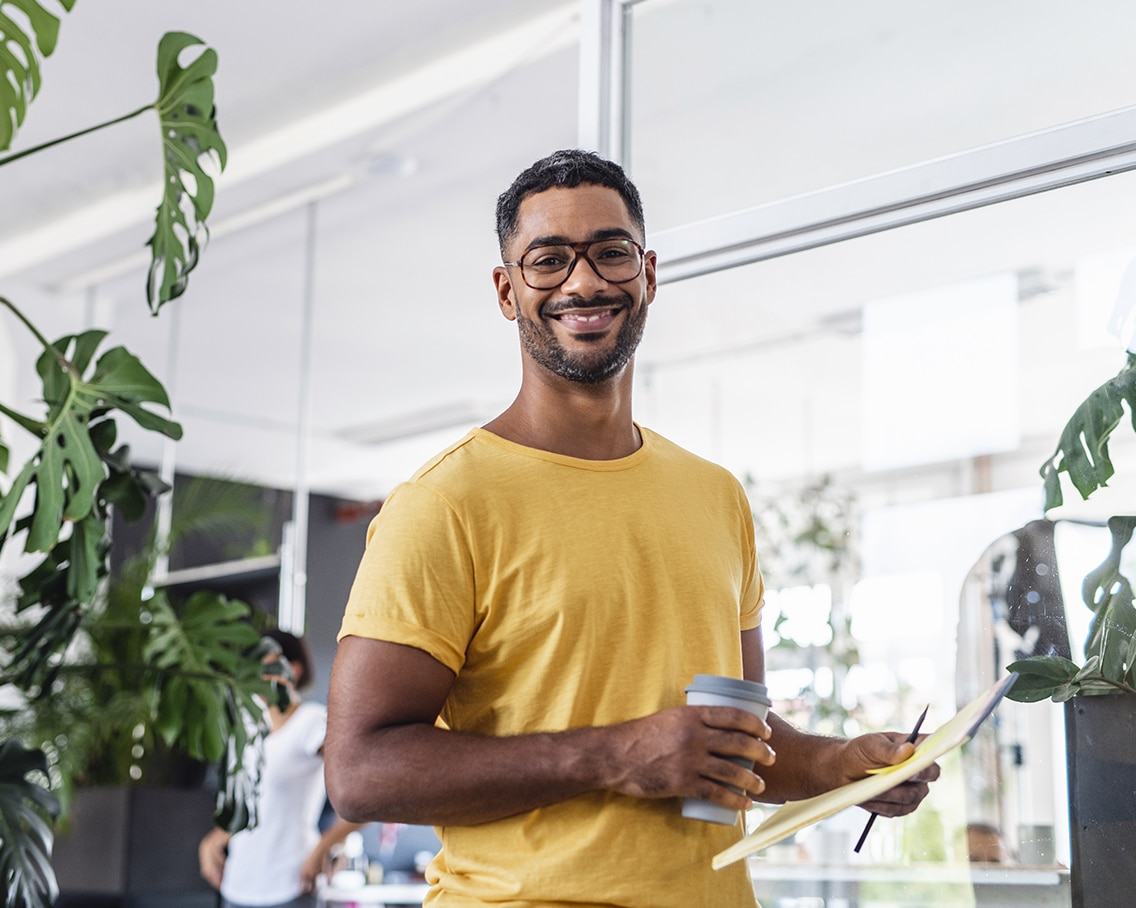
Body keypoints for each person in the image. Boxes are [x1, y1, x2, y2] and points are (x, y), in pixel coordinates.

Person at [324, 149, 940, 907]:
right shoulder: (444, 503)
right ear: (507, 291)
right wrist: (613, 755)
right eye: (548, 260)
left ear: (647, 274)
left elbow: (733, 743)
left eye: (610, 253)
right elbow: (360, 772)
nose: (584, 282)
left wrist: (839, 764)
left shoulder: (715, 496)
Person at [199, 628, 365, 908]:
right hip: (236, 889)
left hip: (289, 887)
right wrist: (215, 839)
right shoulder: (250, 729)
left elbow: (366, 787)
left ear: (292, 670)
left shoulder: (311, 723)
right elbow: (259, 804)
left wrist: (327, 845)